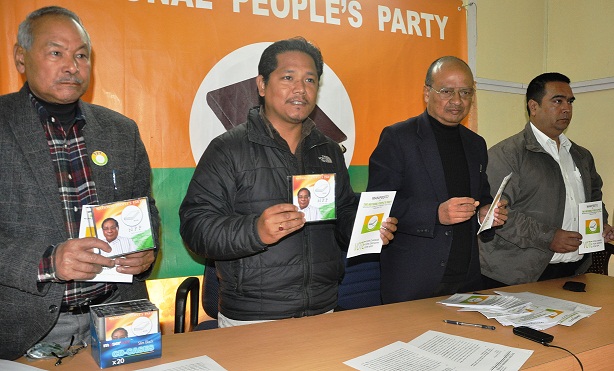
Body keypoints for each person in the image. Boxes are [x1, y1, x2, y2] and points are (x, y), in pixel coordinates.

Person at [179, 37, 397, 328]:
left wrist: (364, 228)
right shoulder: (228, 149)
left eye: (309, 80)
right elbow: (195, 227)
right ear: (261, 85)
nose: (300, 89)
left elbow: (342, 214)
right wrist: (254, 230)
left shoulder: (329, 150)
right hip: (252, 317)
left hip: (324, 308)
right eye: (288, 77)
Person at [0, 6, 159, 360]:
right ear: (20, 58)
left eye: (81, 55)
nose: (72, 66)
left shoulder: (121, 130)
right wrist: (47, 262)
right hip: (22, 328)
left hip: (118, 316)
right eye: (56, 52)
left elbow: (147, 210)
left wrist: (146, 250)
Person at [367, 56, 507, 304]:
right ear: (426, 93)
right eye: (447, 91)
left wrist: (485, 212)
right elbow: (378, 205)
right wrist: (435, 213)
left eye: (465, 92)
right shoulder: (398, 138)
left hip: (467, 278)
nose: (457, 101)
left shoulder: (476, 144)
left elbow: (481, 196)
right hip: (414, 280)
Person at [480, 72, 613, 287]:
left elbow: (594, 196)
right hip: (515, 275)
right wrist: (548, 237)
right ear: (534, 107)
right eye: (557, 101)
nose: (566, 108)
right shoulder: (507, 154)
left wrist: (600, 224)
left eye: (570, 101)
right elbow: (496, 215)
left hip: (574, 270)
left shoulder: (581, 155)